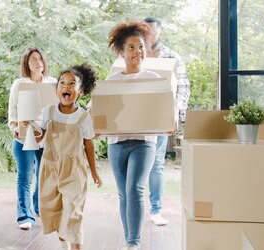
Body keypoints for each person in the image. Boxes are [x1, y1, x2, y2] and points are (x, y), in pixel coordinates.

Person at [104, 19, 161, 250]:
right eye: (131, 47)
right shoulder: (112, 81)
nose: (137, 51)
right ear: (121, 52)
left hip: (144, 142)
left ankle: (133, 243)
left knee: (135, 188)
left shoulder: (154, 79)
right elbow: (99, 111)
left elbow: (164, 110)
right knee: (123, 194)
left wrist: (171, 122)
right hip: (117, 142)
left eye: (141, 47)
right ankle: (130, 240)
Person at [37, 63, 102, 250]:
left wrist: (94, 173)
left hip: (74, 170)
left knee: (73, 211)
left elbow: (89, 144)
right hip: (49, 167)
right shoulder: (47, 112)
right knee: (53, 209)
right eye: (62, 83)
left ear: (80, 91)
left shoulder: (83, 117)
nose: (66, 86)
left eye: (72, 83)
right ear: (57, 89)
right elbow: (39, 136)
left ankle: (76, 247)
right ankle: (63, 242)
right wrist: (25, 129)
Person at [143, 16, 191, 226]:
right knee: (132, 165)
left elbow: (183, 86)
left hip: (161, 117)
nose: (150, 34)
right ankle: (131, 208)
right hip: (135, 117)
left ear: (159, 33)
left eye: (153, 31)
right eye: (146, 30)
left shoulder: (172, 56)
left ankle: (155, 210)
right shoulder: (132, 52)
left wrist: (176, 114)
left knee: (156, 164)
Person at [7, 47, 57, 230]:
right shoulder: (20, 84)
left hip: (45, 137)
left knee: (44, 177)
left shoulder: (52, 83)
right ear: (27, 64)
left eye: (40, 59)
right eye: (33, 59)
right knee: (24, 178)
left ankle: (38, 207)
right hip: (24, 138)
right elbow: (12, 111)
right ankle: (24, 216)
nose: (38, 62)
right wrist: (14, 127)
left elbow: (57, 109)